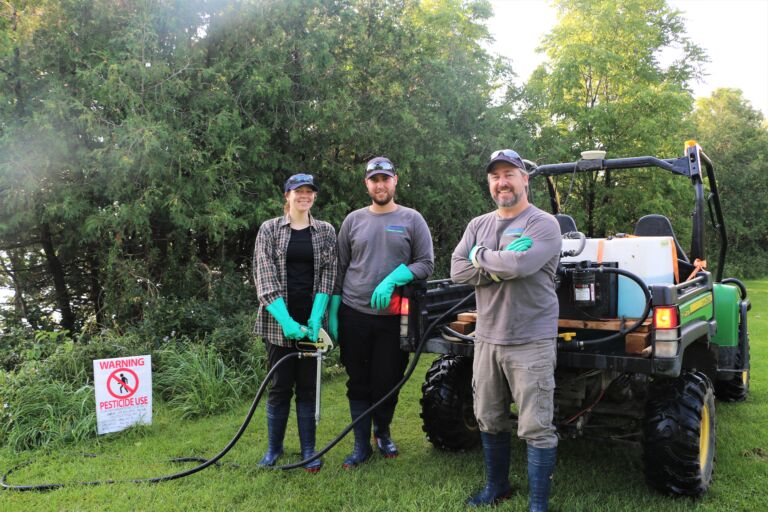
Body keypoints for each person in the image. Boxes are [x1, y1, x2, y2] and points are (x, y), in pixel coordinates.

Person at [450, 149, 561, 511]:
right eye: (495, 176)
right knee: (489, 417)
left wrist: (479, 257)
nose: (502, 182)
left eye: (509, 174)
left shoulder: (543, 223)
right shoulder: (477, 225)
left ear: (524, 178)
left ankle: (538, 504)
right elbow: (456, 271)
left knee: (536, 426)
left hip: (531, 339)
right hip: (487, 339)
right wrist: (500, 261)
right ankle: (497, 487)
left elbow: (523, 264)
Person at [328, 156, 434, 469]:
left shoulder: (412, 219)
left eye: (385, 179)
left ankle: (383, 433)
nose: (380, 185)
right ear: (367, 184)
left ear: (395, 181)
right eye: (374, 180)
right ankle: (361, 445)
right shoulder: (353, 220)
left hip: (394, 317)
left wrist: (394, 277)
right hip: (354, 313)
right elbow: (340, 267)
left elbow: (426, 263)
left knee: (387, 380)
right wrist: (334, 314)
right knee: (358, 381)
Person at [253, 173, 337, 473]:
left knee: (307, 388)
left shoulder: (325, 231)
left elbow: (328, 276)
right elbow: (264, 278)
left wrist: (316, 317)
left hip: (310, 325)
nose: (304, 196)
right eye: (297, 191)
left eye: (309, 191)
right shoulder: (270, 230)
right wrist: (286, 321)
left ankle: (309, 451)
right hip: (279, 325)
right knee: (279, 387)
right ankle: (273, 449)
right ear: (287, 196)